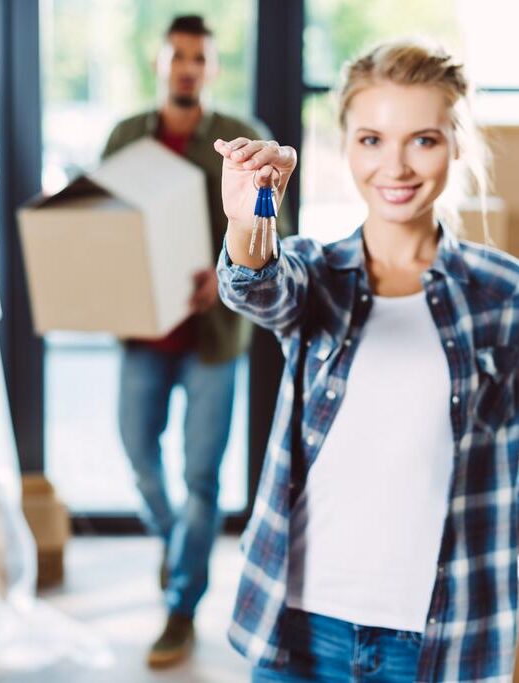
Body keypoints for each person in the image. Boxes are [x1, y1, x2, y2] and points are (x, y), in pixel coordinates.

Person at [215, 38, 519, 682]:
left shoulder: (504, 296)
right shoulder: (317, 273)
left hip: (440, 642)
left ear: (457, 145)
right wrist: (248, 221)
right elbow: (259, 286)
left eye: (424, 140)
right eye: (372, 139)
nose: (397, 166)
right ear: (346, 144)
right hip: (299, 628)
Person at [101, 15, 286, 668]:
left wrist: (227, 266)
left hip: (212, 334)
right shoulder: (128, 136)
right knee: (137, 451)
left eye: (198, 57)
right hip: (143, 328)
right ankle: (178, 540)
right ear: (160, 63)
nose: (186, 67)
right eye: (176, 55)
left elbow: (273, 232)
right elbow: (107, 220)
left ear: (211, 67)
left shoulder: (242, 139)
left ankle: (180, 605)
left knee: (200, 476)